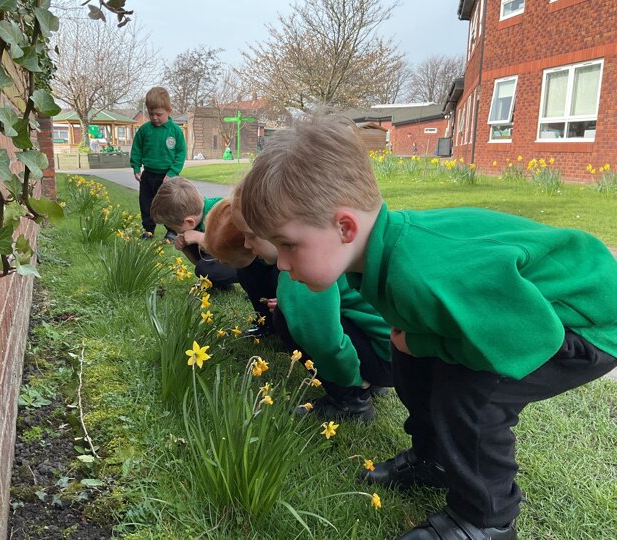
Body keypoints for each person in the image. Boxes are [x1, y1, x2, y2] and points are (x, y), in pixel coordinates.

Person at [238, 113, 617, 539]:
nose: (282, 263)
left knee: (473, 391)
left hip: (583, 318)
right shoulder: (377, 254)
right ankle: (436, 460)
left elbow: (529, 338)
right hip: (518, 310)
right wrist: (419, 345)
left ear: (345, 227)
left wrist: (431, 345)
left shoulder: (418, 272)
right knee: (409, 356)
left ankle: (486, 521)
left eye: (289, 245)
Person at [204, 191, 393, 421]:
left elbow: (325, 341)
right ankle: (374, 380)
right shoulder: (321, 242)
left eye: (251, 236)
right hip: (394, 350)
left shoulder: (301, 267)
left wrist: (355, 380)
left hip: (392, 361)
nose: (246, 244)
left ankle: (352, 401)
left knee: (286, 318)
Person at [151, 180, 277, 337]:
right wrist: (185, 247)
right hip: (252, 263)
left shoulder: (220, 215)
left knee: (264, 282)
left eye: (171, 227)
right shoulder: (196, 223)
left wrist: (200, 237)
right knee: (248, 278)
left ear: (189, 221)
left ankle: (279, 324)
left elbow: (231, 249)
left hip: (265, 262)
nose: (171, 231)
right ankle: (265, 323)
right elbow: (201, 262)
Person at [130, 87, 186, 241]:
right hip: (148, 175)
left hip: (168, 176)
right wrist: (136, 167)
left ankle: (172, 231)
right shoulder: (144, 130)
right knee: (146, 204)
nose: (154, 118)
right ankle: (149, 230)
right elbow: (137, 149)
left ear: (169, 111)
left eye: (159, 114)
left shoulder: (175, 131)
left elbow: (181, 153)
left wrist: (172, 172)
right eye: (151, 114)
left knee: (168, 204)